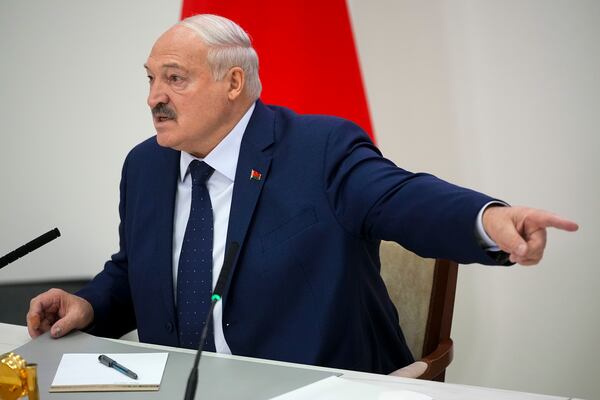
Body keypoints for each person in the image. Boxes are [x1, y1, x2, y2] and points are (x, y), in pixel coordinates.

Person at [27, 14, 578, 374]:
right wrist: (90, 303)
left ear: (233, 84)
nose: (153, 98)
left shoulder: (318, 148)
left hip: (308, 384)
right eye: (149, 79)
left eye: (174, 79)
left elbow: (400, 198)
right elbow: (135, 270)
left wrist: (488, 218)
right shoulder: (145, 165)